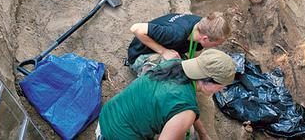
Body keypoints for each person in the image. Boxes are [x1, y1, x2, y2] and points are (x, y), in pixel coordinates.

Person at [98, 49, 236, 140]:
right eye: (222, 86)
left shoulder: (175, 64)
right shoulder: (186, 111)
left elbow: (186, 109)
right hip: (115, 136)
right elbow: (185, 111)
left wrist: (203, 134)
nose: (222, 90)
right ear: (210, 81)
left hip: (107, 115)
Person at [126, 12, 231, 74]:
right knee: (171, 75)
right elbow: (136, 28)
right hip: (139, 54)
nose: (217, 46)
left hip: (167, 46)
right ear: (205, 38)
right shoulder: (175, 34)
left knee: (184, 69)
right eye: (217, 44)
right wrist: (164, 51)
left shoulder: (200, 25)